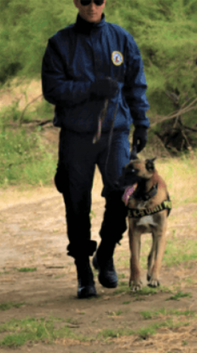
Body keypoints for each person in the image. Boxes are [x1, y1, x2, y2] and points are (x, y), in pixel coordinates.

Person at [42, 0, 149, 299]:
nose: (92, 6)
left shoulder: (121, 38)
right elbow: (52, 89)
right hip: (76, 135)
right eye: (85, 0)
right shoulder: (60, 43)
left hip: (115, 132)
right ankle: (82, 272)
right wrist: (90, 88)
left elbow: (136, 84)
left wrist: (141, 122)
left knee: (122, 193)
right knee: (76, 203)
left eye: (98, 0)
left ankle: (105, 253)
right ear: (76, 2)